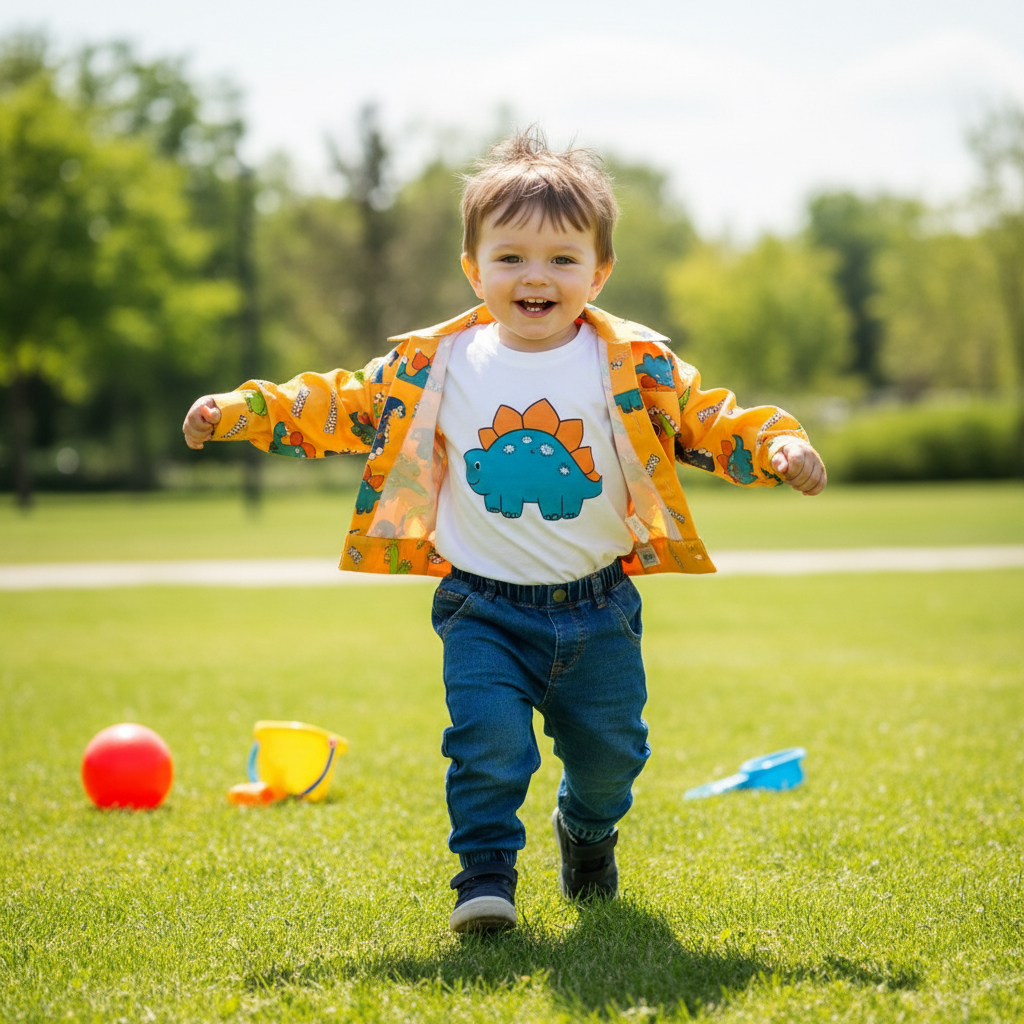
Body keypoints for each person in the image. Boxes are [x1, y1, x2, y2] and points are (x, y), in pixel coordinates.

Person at [183, 129, 826, 934]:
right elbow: (337, 403)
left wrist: (777, 446)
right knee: (486, 744)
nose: (536, 276)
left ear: (599, 272)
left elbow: (710, 419)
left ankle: (585, 830)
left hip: (600, 609)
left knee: (613, 756)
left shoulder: (634, 363)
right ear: (474, 269)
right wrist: (241, 411)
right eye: (511, 256)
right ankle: (484, 876)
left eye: (562, 259)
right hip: (481, 608)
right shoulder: (435, 364)